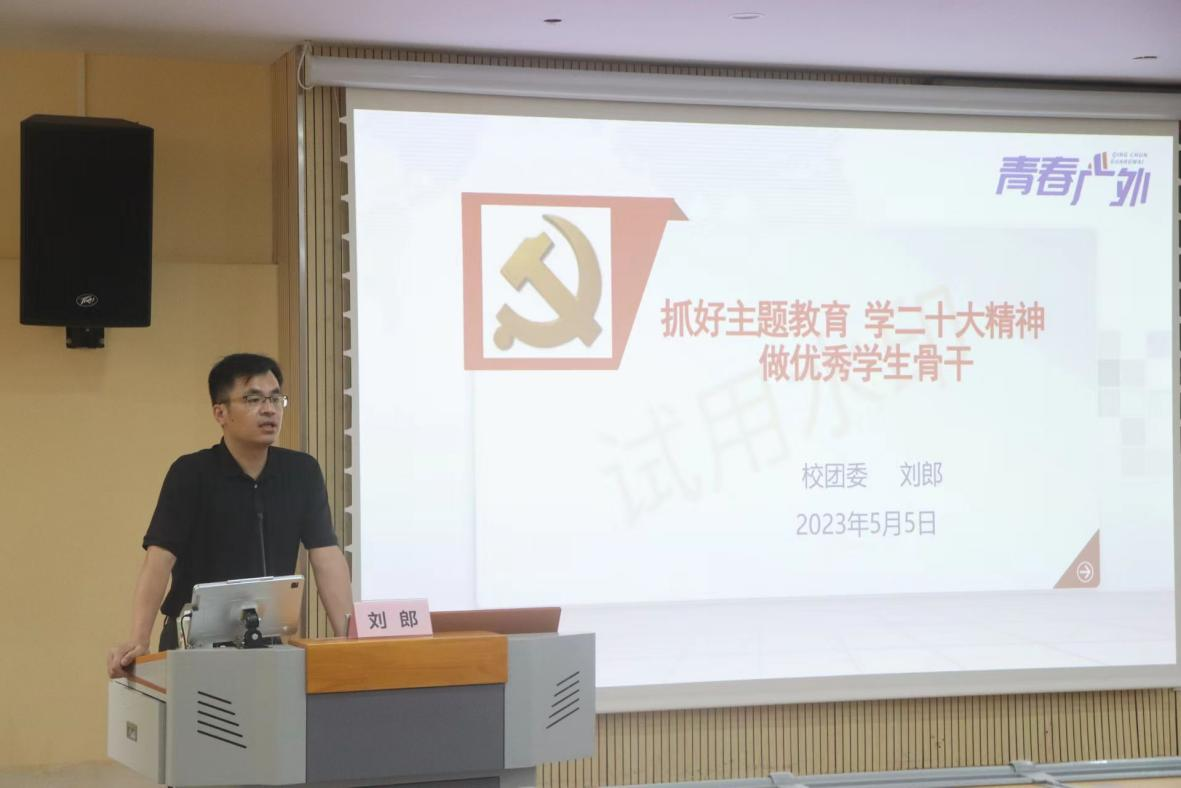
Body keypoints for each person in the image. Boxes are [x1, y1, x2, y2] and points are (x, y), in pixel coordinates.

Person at [107, 353, 353, 678]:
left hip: (266, 641)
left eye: (275, 398)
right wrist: (139, 639)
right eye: (253, 399)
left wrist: (350, 639)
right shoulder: (191, 473)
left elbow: (326, 557)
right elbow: (159, 561)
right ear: (220, 412)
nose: (269, 409)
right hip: (192, 643)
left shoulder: (301, 472)